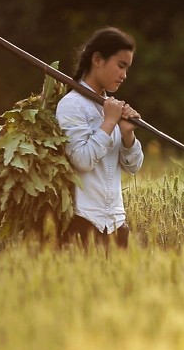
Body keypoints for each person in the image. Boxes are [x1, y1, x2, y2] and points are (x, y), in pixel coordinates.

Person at [55, 27, 144, 251]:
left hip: (116, 225)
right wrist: (109, 123)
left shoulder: (111, 107)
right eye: (120, 66)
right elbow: (82, 160)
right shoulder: (72, 105)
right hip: (83, 224)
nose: (124, 75)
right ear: (97, 59)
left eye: (127, 68)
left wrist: (127, 133)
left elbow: (133, 166)